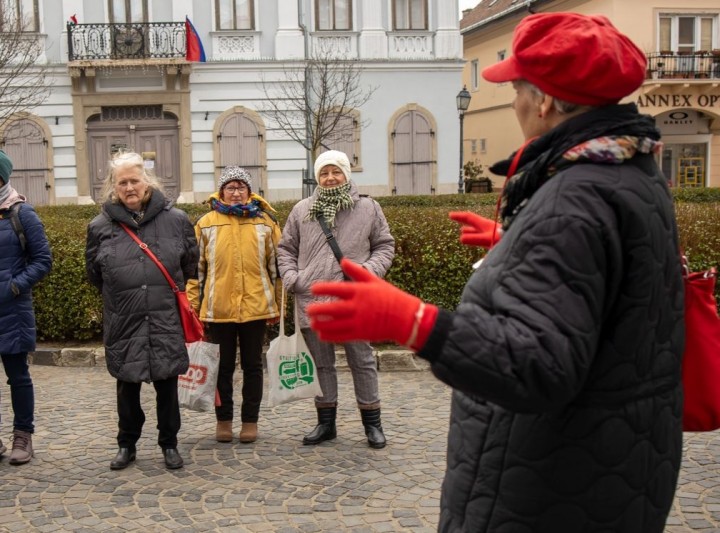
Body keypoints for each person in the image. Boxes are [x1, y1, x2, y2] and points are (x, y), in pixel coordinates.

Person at [306, 13, 684, 532]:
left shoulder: (575, 199)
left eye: (517, 90)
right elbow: (607, 282)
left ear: (546, 100)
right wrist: (518, 242)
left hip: (551, 485)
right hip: (610, 462)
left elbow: (538, 366)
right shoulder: (630, 172)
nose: (513, 102)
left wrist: (413, 321)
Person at [85, 151, 198, 471]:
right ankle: (127, 444)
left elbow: (189, 264)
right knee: (127, 385)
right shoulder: (99, 226)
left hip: (164, 316)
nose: (129, 187)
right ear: (113, 187)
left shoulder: (176, 220)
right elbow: (94, 274)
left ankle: (169, 444)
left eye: (134, 180)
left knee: (167, 385)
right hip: (124, 318)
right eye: (122, 182)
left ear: (147, 181)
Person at [277, 150, 395, 449]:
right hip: (312, 298)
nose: (330, 178)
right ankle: (326, 423)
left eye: (336, 172)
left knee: (362, 360)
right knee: (321, 364)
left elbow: (384, 245)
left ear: (346, 174)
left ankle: (373, 424)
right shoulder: (302, 209)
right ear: (317, 178)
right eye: (324, 173)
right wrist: (294, 279)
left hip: (353, 297)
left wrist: (367, 271)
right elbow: (285, 249)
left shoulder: (368, 208)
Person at [187, 167, 281, 444]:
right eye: (231, 187)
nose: (236, 192)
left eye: (242, 187)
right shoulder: (205, 223)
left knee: (253, 367)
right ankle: (224, 420)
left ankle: (250, 421)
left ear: (250, 192)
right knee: (223, 368)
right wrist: (194, 307)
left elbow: (276, 268)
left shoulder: (266, 223)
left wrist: (277, 304)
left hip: (256, 307)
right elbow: (196, 271)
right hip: (218, 309)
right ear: (222, 191)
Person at [0, 150, 52, 465]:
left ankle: (23, 436)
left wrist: (14, 287)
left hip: (12, 309)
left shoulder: (21, 213)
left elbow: (43, 260)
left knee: (17, 376)